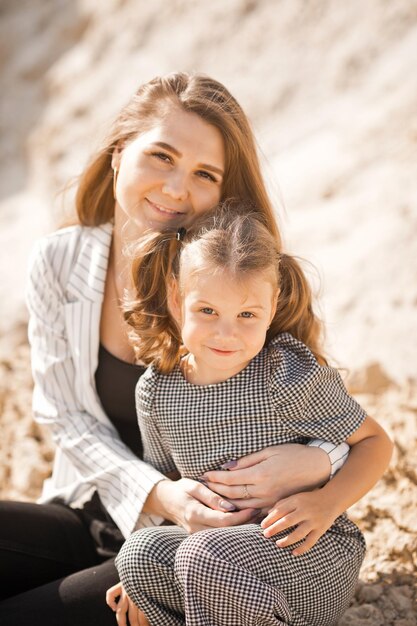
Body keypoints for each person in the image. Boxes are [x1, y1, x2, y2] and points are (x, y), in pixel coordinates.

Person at [0, 73, 348, 625]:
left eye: (203, 174)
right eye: (161, 157)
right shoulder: (58, 261)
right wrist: (161, 494)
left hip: (198, 550)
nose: (175, 188)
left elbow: (327, 420)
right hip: (90, 510)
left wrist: (317, 460)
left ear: (223, 192)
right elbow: (64, 416)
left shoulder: (235, 288)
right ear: (119, 154)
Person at [111, 204, 393, 626]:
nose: (227, 333)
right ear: (175, 297)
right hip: (217, 561)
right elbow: (169, 488)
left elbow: (376, 444)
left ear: (273, 303)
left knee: (200, 554)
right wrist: (138, 580)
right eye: (207, 311)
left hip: (306, 551)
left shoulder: (286, 374)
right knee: (137, 556)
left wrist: (326, 502)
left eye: (247, 315)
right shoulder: (156, 393)